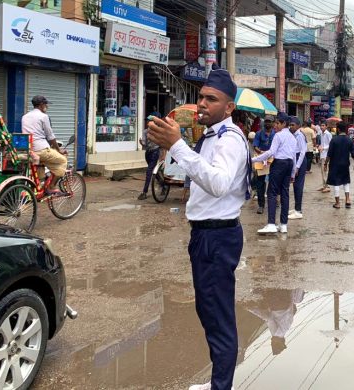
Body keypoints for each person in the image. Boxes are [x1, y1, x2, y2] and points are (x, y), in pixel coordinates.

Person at [146, 67, 250, 390]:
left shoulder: (230, 140)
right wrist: (173, 141)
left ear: (229, 107)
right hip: (205, 235)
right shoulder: (209, 136)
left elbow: (218, 183)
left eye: (212, 99)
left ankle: (221, 387)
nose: (202, 103)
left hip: (217, 237)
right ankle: (218, 381)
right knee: (208, 312)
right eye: (201, 96)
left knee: (219, 320)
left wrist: (177, 146)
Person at [252, 112, 297, 234]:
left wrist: (254, 159)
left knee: (271, 193)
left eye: (277, 123)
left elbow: (271, 152)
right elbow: (293, 157)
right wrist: (293, 172)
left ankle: (271, 223)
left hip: (279, 164)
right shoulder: (293, 138)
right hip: (288, 165)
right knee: (285, 193)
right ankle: (283, 225)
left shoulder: (278, 136)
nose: (275, 125)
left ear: (284, 124)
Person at [21, 95, 68, 194]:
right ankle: (51, 187)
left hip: (29, 150)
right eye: (46, 104)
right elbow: (50, 136)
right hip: (41, 149)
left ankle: (40, 185)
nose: (47, 106)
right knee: (62, 161)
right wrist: (59, 150)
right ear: (41, 105)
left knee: (41, 163)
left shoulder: (24, 117)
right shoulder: (44, 116)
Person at [325, 122, 354, 209]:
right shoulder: (349, 140)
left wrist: (325, 164)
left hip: (334, 165)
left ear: (339, 129)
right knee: (345, 181)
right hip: (345, 165)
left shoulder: (334, 140)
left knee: (336, 183)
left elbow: (329, 154)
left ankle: (337, 203)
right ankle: (347, 200)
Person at [252, 115, 275, 214]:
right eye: (266, 121)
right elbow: (255, 146)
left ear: (273, 123)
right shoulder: (258, 133)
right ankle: (261, 205)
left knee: (274, 181)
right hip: (261, 159)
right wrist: (261, 152)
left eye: (269, 122)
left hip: (273, 159)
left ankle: (274, 201)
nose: (267, 123)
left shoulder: (276, 134)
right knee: (260, 183)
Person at [289, 116, 308, 220]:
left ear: (298, 126)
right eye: (290, 125)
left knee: (298, 185)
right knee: (295, 185)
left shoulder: (299, 135)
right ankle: (296, 208)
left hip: (299, 160)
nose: (291, 127)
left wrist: (297, 167)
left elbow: (302, 152)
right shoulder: (293, 135)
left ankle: (298, 211)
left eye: (293, 125)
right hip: (295, 159)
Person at [138, 118, 161, 200]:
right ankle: (162, 183)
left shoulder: (157, 131)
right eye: (148, 122)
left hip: (155, 151)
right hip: (148, 152)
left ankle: (144, 192)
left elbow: (160, 142)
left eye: (151, 122)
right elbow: (144, 143)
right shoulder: (145, 131)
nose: (149, 124)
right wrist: (142, 143)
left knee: (149, 171)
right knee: (152, 170)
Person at [316, 121, 332, 193]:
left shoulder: (328, 134)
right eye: (321, 126)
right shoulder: (321, 134)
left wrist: (324, 148)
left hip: (326, 155)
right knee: (322, 171)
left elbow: (331, 145)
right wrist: (319, 146)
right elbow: (321, 143)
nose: (322, 127)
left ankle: (327, 186)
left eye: (323, 125)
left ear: (326, 126)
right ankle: (324, 186)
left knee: (325, 170)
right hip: (322, 154)